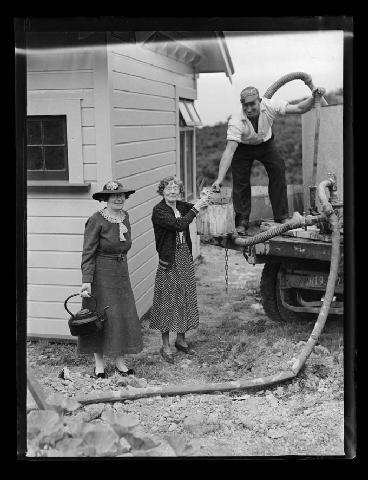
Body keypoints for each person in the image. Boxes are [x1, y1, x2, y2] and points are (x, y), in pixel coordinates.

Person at [212, 85, 326, 235]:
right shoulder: (236, 120)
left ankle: (282, 216)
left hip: (266, 144)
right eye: (245, 105)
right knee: (240, 181)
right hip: (243, 148)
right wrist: (219, 179)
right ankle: (241, 222)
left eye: (252, 104)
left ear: (260, 101)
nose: (249, 109)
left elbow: (299, 108)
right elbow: (229, 151)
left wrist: (313, 97)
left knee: (278, 169)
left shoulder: (270, 105)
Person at [79, 180, 143, 378]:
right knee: (101, 316)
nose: (118, 198)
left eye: (121, 195)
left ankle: (119, 361)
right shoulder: (96, 220)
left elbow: (124, 245)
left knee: (121, 315)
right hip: (100, 274)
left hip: (120, 273)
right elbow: (88, 252)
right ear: (105, 199)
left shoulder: (125, 216)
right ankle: (99, 364)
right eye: (114, 196)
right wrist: (86, 280)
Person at [149, 176, 210, 363]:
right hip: (169, 259)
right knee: (167, 299)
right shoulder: (159, 211)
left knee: (185, 296)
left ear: (179, 191)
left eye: (175, 188)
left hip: (184, 255)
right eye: (168, 188)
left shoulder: (181, 206)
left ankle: (181, 340)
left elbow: (194, 206)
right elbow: (179, 225)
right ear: (162, 191)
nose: (172, 191)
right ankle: (165, 344)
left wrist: (203, 198)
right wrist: (197, 207)